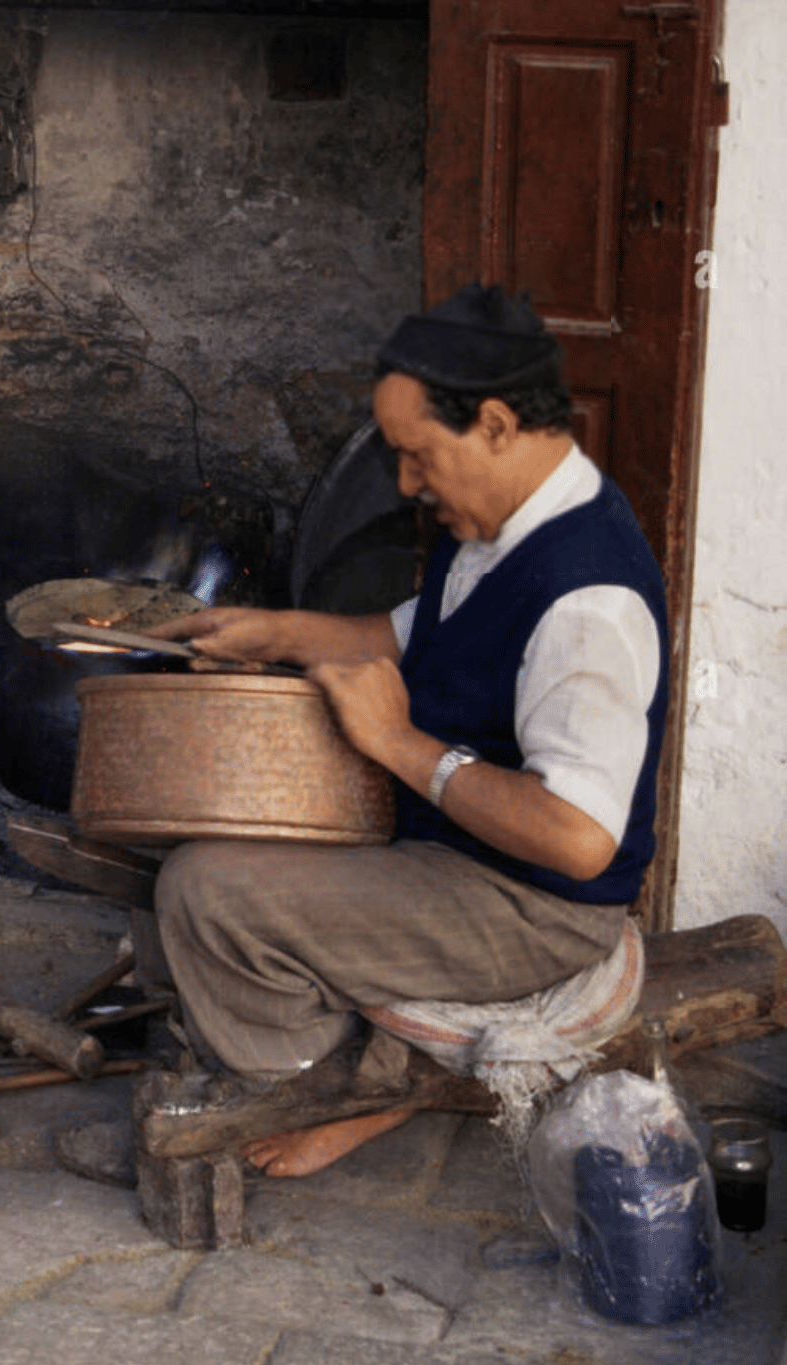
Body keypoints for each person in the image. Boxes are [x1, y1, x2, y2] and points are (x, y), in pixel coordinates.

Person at [146, 285, 669, 1177]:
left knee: (205, 892)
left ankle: (355, 1081)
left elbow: (580, 840)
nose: (406, 485)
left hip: (536, 909)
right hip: (453, 851)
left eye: (418, 456)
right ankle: (360, 1035)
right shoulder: (504, 526)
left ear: (497, 424)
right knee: (175, 861)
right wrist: (264, 631)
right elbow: (400, 635)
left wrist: (400, 746)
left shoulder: (589, 600)